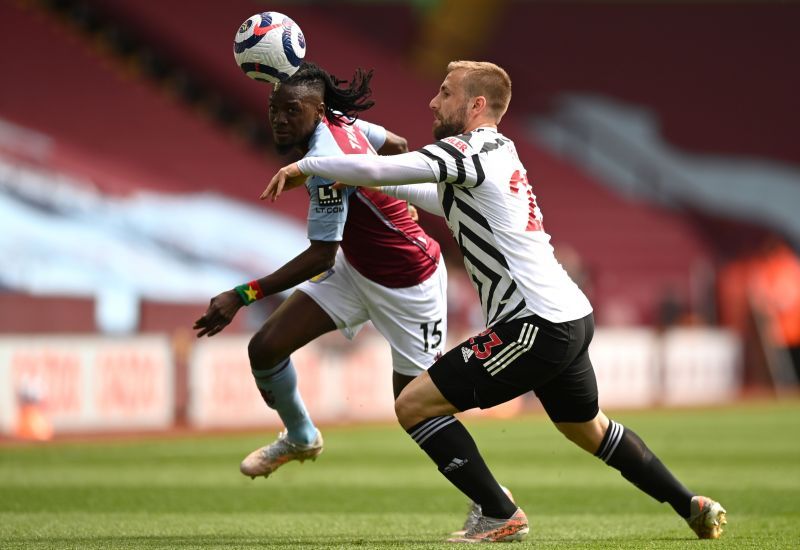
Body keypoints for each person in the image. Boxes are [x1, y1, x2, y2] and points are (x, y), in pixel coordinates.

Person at [262, 61, 727, 543]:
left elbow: (382, 165)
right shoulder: (496, 152)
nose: (433, 102)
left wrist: (308, 165)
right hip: (568, 313)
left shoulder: (467, 149)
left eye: (444, 93)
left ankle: (498, 511)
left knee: (413, 405)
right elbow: (433, 197)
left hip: (534, 322)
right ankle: (690, 504)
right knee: (588, 430)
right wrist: (356, 180)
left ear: (475, 104)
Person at [194, 62, 448, 482]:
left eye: (292, 111)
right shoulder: (342, 121)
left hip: (408, 282)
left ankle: (493, 502)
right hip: (357, 268)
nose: (279, 119)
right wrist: (403, 203)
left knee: (417, 407)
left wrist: (241, 295)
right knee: (266, 348)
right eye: (275, 109)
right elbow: (398, 143)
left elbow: (319, 258)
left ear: (317, 110)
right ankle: (301, 436)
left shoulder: (323, 164)